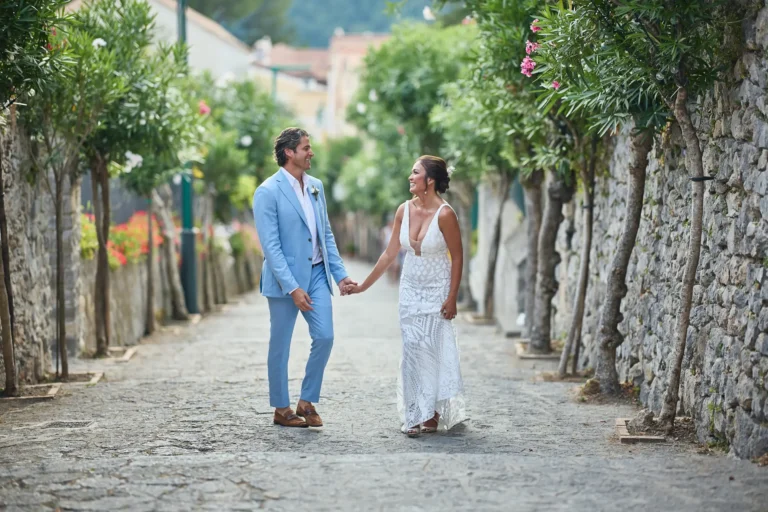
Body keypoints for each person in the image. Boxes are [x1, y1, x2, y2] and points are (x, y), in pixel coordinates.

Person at [345, 155, 467, 437]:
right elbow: (390, 254)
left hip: (437, 289)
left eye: (415, 173)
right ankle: (413, 412)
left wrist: (452, 298)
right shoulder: (404, 210)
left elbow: (458, 257)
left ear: (430, 180)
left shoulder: (446, 214)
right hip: (410, 290)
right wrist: (363, 285)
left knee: (432, 350)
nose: (410, 177)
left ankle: (432, 413)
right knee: (412, 349)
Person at [252, 127, 357, 428]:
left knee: (325, 336)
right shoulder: (267, 191)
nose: (311, 153)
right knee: (280, 344)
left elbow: (325, 235)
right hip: (284, 281)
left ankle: (307, 401)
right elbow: (271, 247)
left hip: (317, 274)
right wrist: (292, 288)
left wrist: (340, 275)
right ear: (289, 152)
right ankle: (282, 408)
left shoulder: (316, 187)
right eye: (306, 148)